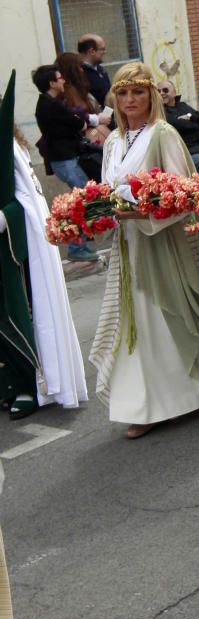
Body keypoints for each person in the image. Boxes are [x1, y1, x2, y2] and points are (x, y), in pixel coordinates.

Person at [90, 63, 199, 439]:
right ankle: (147, 403)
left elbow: (184, 196)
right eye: (123, 94)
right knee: (136, 322)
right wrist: (97, 213)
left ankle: (182, 396)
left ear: (151, 96)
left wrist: (141, 210)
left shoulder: (164, 135)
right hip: (129, 243)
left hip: (161, 241)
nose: (130, 100)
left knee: (165, 317)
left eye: (138, 92)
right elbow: (108, 191)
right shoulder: (112, 142)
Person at [1, 74, 88, 420]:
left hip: (9, 249)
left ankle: (29, 383)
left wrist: (5, 218)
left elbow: (25, 202)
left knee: (14, 315)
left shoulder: (10, 150)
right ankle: (8, 384)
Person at [32, 64, 100, 261]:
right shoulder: (48, 105)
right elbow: (76, 122)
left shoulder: (51, 102)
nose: (63, 81)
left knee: (83, 197)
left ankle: (83, 240)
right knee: (80, 200)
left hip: (66, 158)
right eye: (59, 78)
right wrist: (79, 122)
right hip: (64, 160)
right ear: (52, 83)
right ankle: (76, 247)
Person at [78, 34, 110, 107]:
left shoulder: (100, 69)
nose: (105, 52)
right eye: (102, 49)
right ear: (92, 51)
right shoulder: (79, 73)